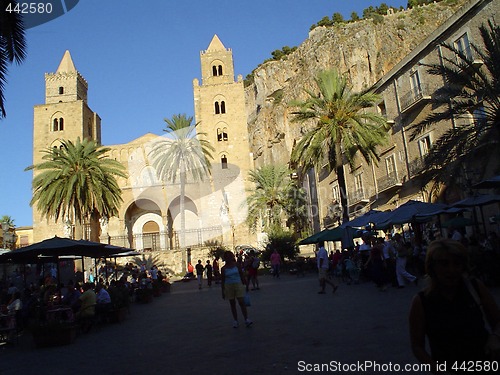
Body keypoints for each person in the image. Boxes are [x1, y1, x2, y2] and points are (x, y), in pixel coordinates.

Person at [409, 239, 500, 373]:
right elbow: (417, 346)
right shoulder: (421, 301)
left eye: (457, 264)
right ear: (432, 267)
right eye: (444, 264)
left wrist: (495, 337)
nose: (451, 270)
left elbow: (498, 321)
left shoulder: (475, 288)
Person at [220, 250, 252, 328]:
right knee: (232, 303)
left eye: (229, 257)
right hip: (228, 285)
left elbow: (241, 274)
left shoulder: (237, 265)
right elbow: (223, 280)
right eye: (226, 257)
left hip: (238, 284)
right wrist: (223, 291)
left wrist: (246, 284)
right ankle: (235, 320)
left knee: (241, 302)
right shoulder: (223, 268)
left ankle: (246, 319)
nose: (228, 258)